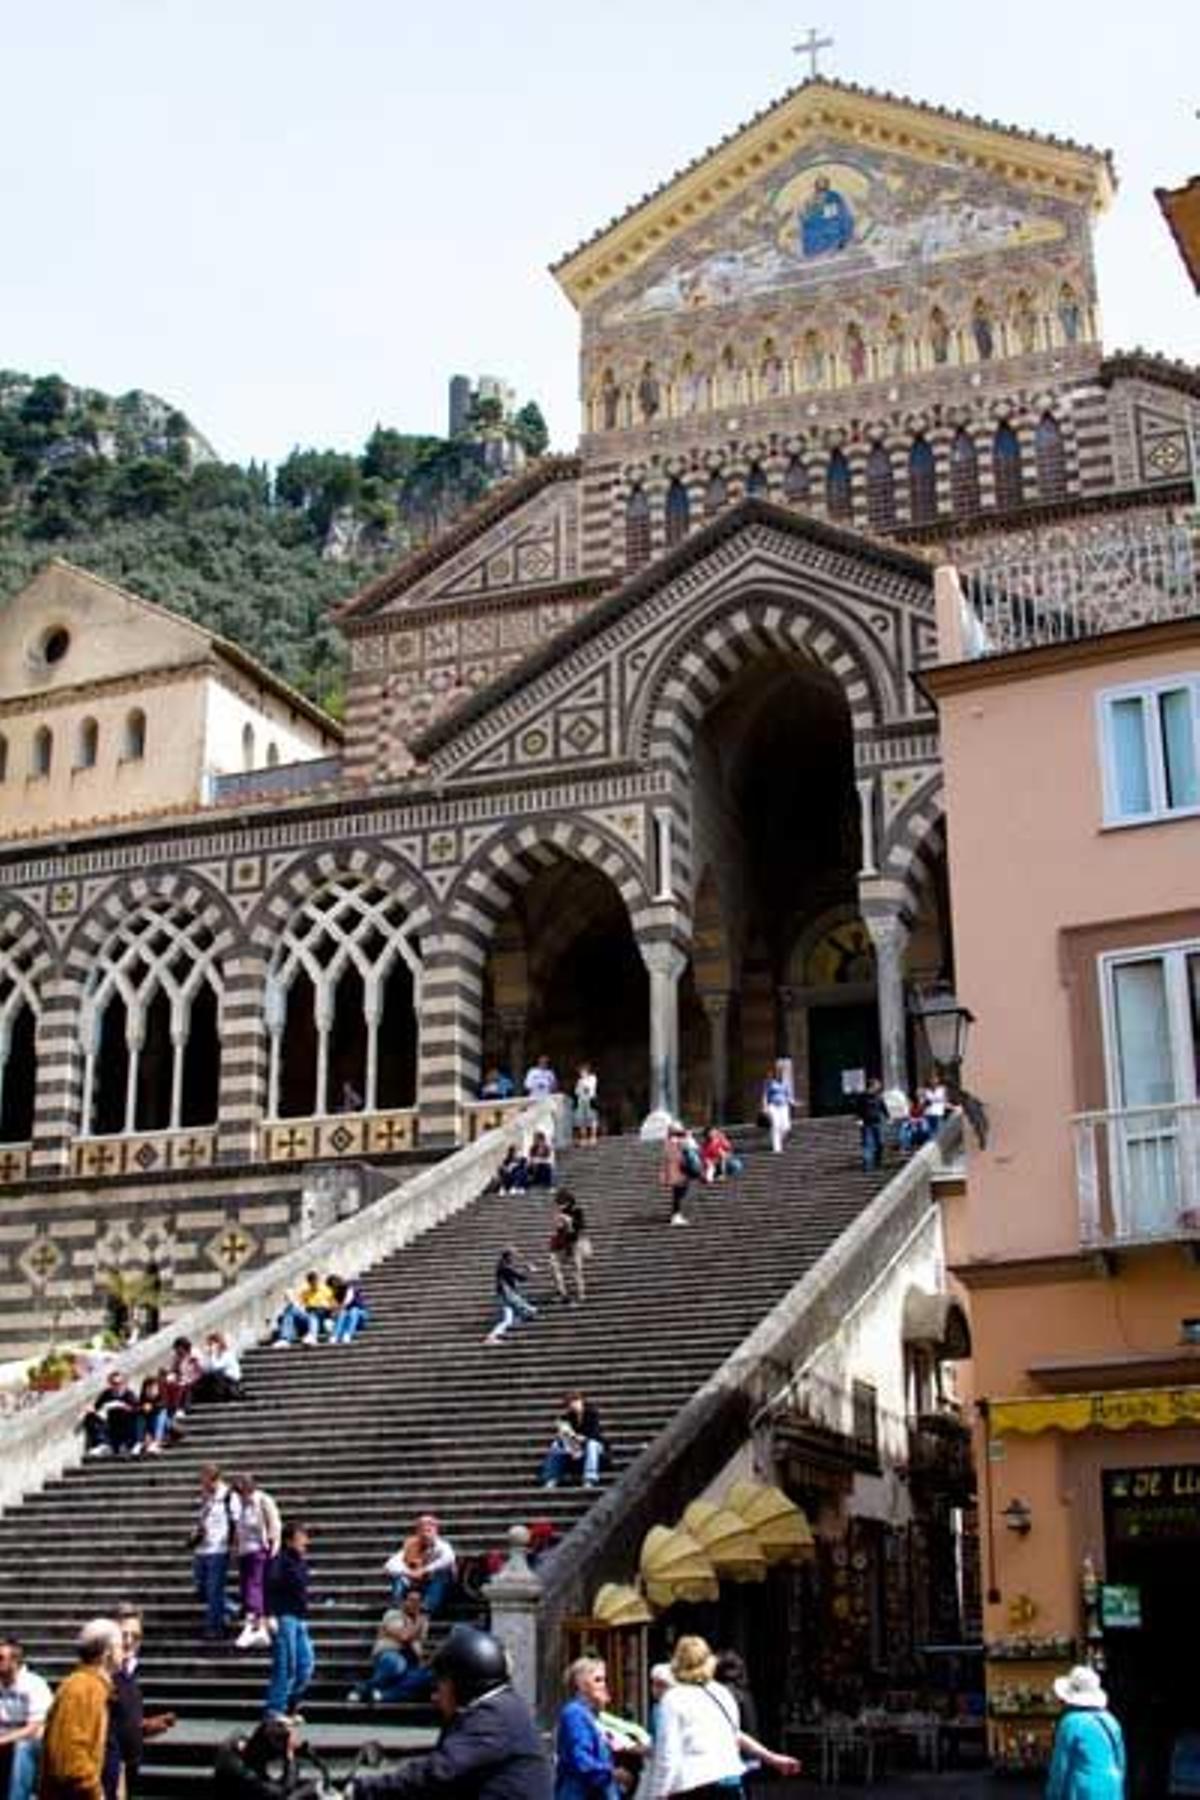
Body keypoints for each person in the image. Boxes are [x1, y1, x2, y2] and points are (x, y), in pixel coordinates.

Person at [346, 1624, 552, 1799]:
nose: (435, 1696)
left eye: (441, 1684)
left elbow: (439, 1770)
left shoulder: (492, 1716)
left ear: (463, 1683)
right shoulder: (505, 1707)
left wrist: (359, 1789)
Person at [647, 1635, 799, 1798]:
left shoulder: (673, 1699)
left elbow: (668, 1754)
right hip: (730, 1782)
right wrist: (772, 1758)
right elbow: (735, 1736)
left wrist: (658, 1793)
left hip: (694, 1787)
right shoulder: (721, 1692)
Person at [39, 1619, 122, 1800]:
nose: (124, 1652)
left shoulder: (99, 1687)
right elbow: (70, 1755)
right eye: (120, 1646)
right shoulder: (80, 1688)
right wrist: (95, 1792)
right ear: (108, 1652)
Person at [102, 1607, 175, 1800]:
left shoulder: (130, 1672)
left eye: (135, 1636)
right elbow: (102, 1731)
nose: (129, 1642)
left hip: (130, 1766)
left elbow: (120, 1721)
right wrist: (119, 1777)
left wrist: (143, 1726)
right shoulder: (103, 1677)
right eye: (123, 1635)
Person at [1045, 1666, 1125, 1800]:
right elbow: (1120, 1761)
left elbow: (1060, 1767)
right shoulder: (1111, 1720)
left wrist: (1052, 1795)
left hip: (1082, 1790)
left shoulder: (1070, 1722)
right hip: (1112, 1787)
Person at [263, 1521, 315, 1722]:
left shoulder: (300, 1561)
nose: (306, 1541)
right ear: (289, 1540)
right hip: (284, 1616)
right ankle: (275, 1709)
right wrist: (268, 1614)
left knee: (306, 1664)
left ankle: (290, 1706)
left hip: (300, 1618)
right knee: (286, 1665)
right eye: (301, 1536)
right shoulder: (280, 1561)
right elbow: (269, 1587)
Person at [348, 1592, 433, 1707]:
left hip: (410, 1661)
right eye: (411, 1600)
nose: (414, 1604)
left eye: (418, 1601)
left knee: (424, 1677)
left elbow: (418, 1645)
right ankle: (362, 1688)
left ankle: (380, 1695)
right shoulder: (393, 1614)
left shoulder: (423, 1622)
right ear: (404, 1601)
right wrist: (418, 1623)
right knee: (397, 1665)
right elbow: (404, 1636)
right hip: (389, 1654)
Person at [212, 1716, 326, 1800]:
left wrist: (282, 1723)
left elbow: (266, 1727)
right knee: (313, 1791)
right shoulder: (244, 1772)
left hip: (251, 1793)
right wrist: (290, 1758)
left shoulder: (243, 1742)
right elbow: (283, 1792)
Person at [555, 1657, 621, 1799]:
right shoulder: (575, 1713)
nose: (603, 1685)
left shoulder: (590, 1714)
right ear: (581, 1684)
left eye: (604, 1680)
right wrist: (612, 1773)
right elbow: (582, 1759)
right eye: (598, 1680)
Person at [231, 1473, 283, 1650]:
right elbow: (239, 1528)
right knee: (247, 1586)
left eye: (242, 1489)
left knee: (254, 1585)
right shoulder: (240, 1505)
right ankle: (261, 1622)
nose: (240, 1494)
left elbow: (274, 1523)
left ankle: (256, 1623)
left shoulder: (263, 1500)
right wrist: (236, 1548)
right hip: (245, 1551)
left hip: (260, 1549)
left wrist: (274, 1545)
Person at [0, 1637, 51, 1800]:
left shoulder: (35, 1684)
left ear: (15, 1661)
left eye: (0, 1658)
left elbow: (34, 1727)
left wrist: (3, 1740)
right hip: (5, 1741)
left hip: (33, 1745)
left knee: (22, 1747)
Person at [384, 1515, 457, 1617]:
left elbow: (449, 1558)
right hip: (417, 1584)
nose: (425, 1534)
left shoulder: (442, 1546)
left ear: (435, 1531)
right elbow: (390, 1565)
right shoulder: (410, 1546)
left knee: (443, 1572)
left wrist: (425, 1570)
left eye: (428, 1530)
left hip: (438, 1587)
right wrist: (408, 1572)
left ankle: (427, 1607)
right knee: (397, 1575)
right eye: (421, 1530)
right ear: (417, 1532)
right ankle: (397, 1605)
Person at [193, 1462, 234, 1641]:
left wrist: (234, 1545)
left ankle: (214, 1627)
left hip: (219, 1549)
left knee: (214, 1590)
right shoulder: (205, 1496)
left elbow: (236, 1521)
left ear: (213, 1478)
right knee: (202, 1588)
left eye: (203, 1479)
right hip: (202, 1549)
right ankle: (231, 1607)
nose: (201, 1482)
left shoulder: (229, 1495)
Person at [540, 1392, 606, 1490]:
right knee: (555, 1445)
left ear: (581, 1401)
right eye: (570, 1404)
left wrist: (583, 1438)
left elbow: (595, 1433)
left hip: (595, 1448)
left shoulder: (592, 1414)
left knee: (592, 1444)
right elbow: (566, 1435)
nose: (574, 1405)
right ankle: (551, 1478)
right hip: (574, 1448)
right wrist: (565, 1438)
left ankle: (589, 1478)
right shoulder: (566, 1418)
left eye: (576, 1401)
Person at [485, 1247, 538, 1345]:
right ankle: (493, 1336)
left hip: (505, 1295)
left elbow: (518, 1277)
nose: (515, 1258)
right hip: (507, 1296)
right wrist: (529, 1270)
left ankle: (492, 1336)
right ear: (509, 1256)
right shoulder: (505, 1267)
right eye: (514, 1256)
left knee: (508, 1319)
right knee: (531, 1311)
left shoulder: (503, 1265)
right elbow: (522, 1278)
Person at [81, 1370, 138, 1459]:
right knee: (91, 1417)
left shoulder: (129, 1394)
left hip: (124, 1425)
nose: (117, 1386)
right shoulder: (106, 1394)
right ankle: (102, 1444)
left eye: (119, 1383)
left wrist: (124, 1407)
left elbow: (136, 1409)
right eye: (113, 1383)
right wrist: (91, 1410)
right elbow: (97, 1407)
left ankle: (126, 1444)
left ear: (124, 1383)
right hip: (110, 1425)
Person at [549, 1192, 589, 1305]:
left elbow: (581, 1227)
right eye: (557, 1203)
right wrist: (559, 1224)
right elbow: (558, 1230)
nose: (558, 1206)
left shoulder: (577, 1211)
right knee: (553, 1266)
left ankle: (580, 1294)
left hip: (575, 1243)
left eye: (560, 1203)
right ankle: (562, 1293)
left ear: (568, 1202)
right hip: (562, 1244)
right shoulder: (560, 1213)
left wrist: (569, 1221)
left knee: (576, 1270)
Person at [192, 1331, 243, 1404]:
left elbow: (216, 1367)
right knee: (203, 1378)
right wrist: (201, 1359)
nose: (210, 1346)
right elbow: (206, 1369)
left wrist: (213, 1354)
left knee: (216, 1375)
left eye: (211, 1344)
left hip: (231, 1381)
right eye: (209, 1344)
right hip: (220, 1380)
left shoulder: (227, 1355)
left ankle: (220, 1397)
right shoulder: (212, 1356)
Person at [854, 1078, 887, 1172]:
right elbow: (857, 1109)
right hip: (866, 1124)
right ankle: (867, 1166)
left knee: (880, 1143)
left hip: (877, 1122)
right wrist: (858, 1119)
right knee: (867, 1144)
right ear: (872, 1086)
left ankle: (878, 1161)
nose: (879, 1086)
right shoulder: (862, 1097)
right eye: (878, 1085)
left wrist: (888, 1117)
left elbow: (883, 1107)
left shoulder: (879, 1097)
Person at [132, 1375, 170, 1456]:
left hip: (164, 1427)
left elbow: (163, 1405)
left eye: (154, 1388)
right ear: (145, 1389)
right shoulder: (142, 1400)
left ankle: (156, 1442)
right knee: (140, 1416)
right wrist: (142, 1408)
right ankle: (140, 1442)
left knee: (162, 1413)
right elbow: (135, 1409)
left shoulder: (161, 1398)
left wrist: (152, 1407)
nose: (152, 1391)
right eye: (149, 1388)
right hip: (149, 1427)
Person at [660, 1126, 690, 1227]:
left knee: (679, 1193)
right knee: (679, 1193)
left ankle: (676, 1214)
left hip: (677, 1171)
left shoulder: (670, 1142)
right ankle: (676, 1215)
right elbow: (675, 1157)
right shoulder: (674, 1142)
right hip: (677, 1171)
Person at [761, 1065, 791, 1156]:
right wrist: (764, 1107)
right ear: (776, 1074)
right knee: (776, 1125)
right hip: (773, 1106)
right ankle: (777, 1148)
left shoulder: (786, 1084)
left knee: (786, 1127)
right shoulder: (770, 1082)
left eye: (782, 1074)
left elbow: (788, 1096)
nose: (781, 1075)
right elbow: (765, 1095)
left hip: (784, 1106)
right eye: (779, 1073)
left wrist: (793, 1102)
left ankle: (778, 1140)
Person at [330, 1275, 369, 1344]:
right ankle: (335, 1335)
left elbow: (347, 1301)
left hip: (360, 1316)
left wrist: (339, 1309)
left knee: (353, 1310)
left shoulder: (350, 1289)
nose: (335, 1287)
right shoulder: (335, 1295)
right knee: (343, 1313)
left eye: (335, 1284)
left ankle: (347, 1334)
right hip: (346, 1319)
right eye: (333, 1286)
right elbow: (334, 1308)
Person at [573, 1065, 599, 1147]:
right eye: (580, 1072)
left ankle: (593, 1137)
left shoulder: (592, 1078)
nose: (581, 1073)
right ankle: (583, 1138)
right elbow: (576, 1092)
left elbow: (589, 1089)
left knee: (592, 1119)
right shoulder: (579, 1081)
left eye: (583, 1071)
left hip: (590, 1101)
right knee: (581, 1121)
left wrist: (584, 1086)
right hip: (581, 1101)